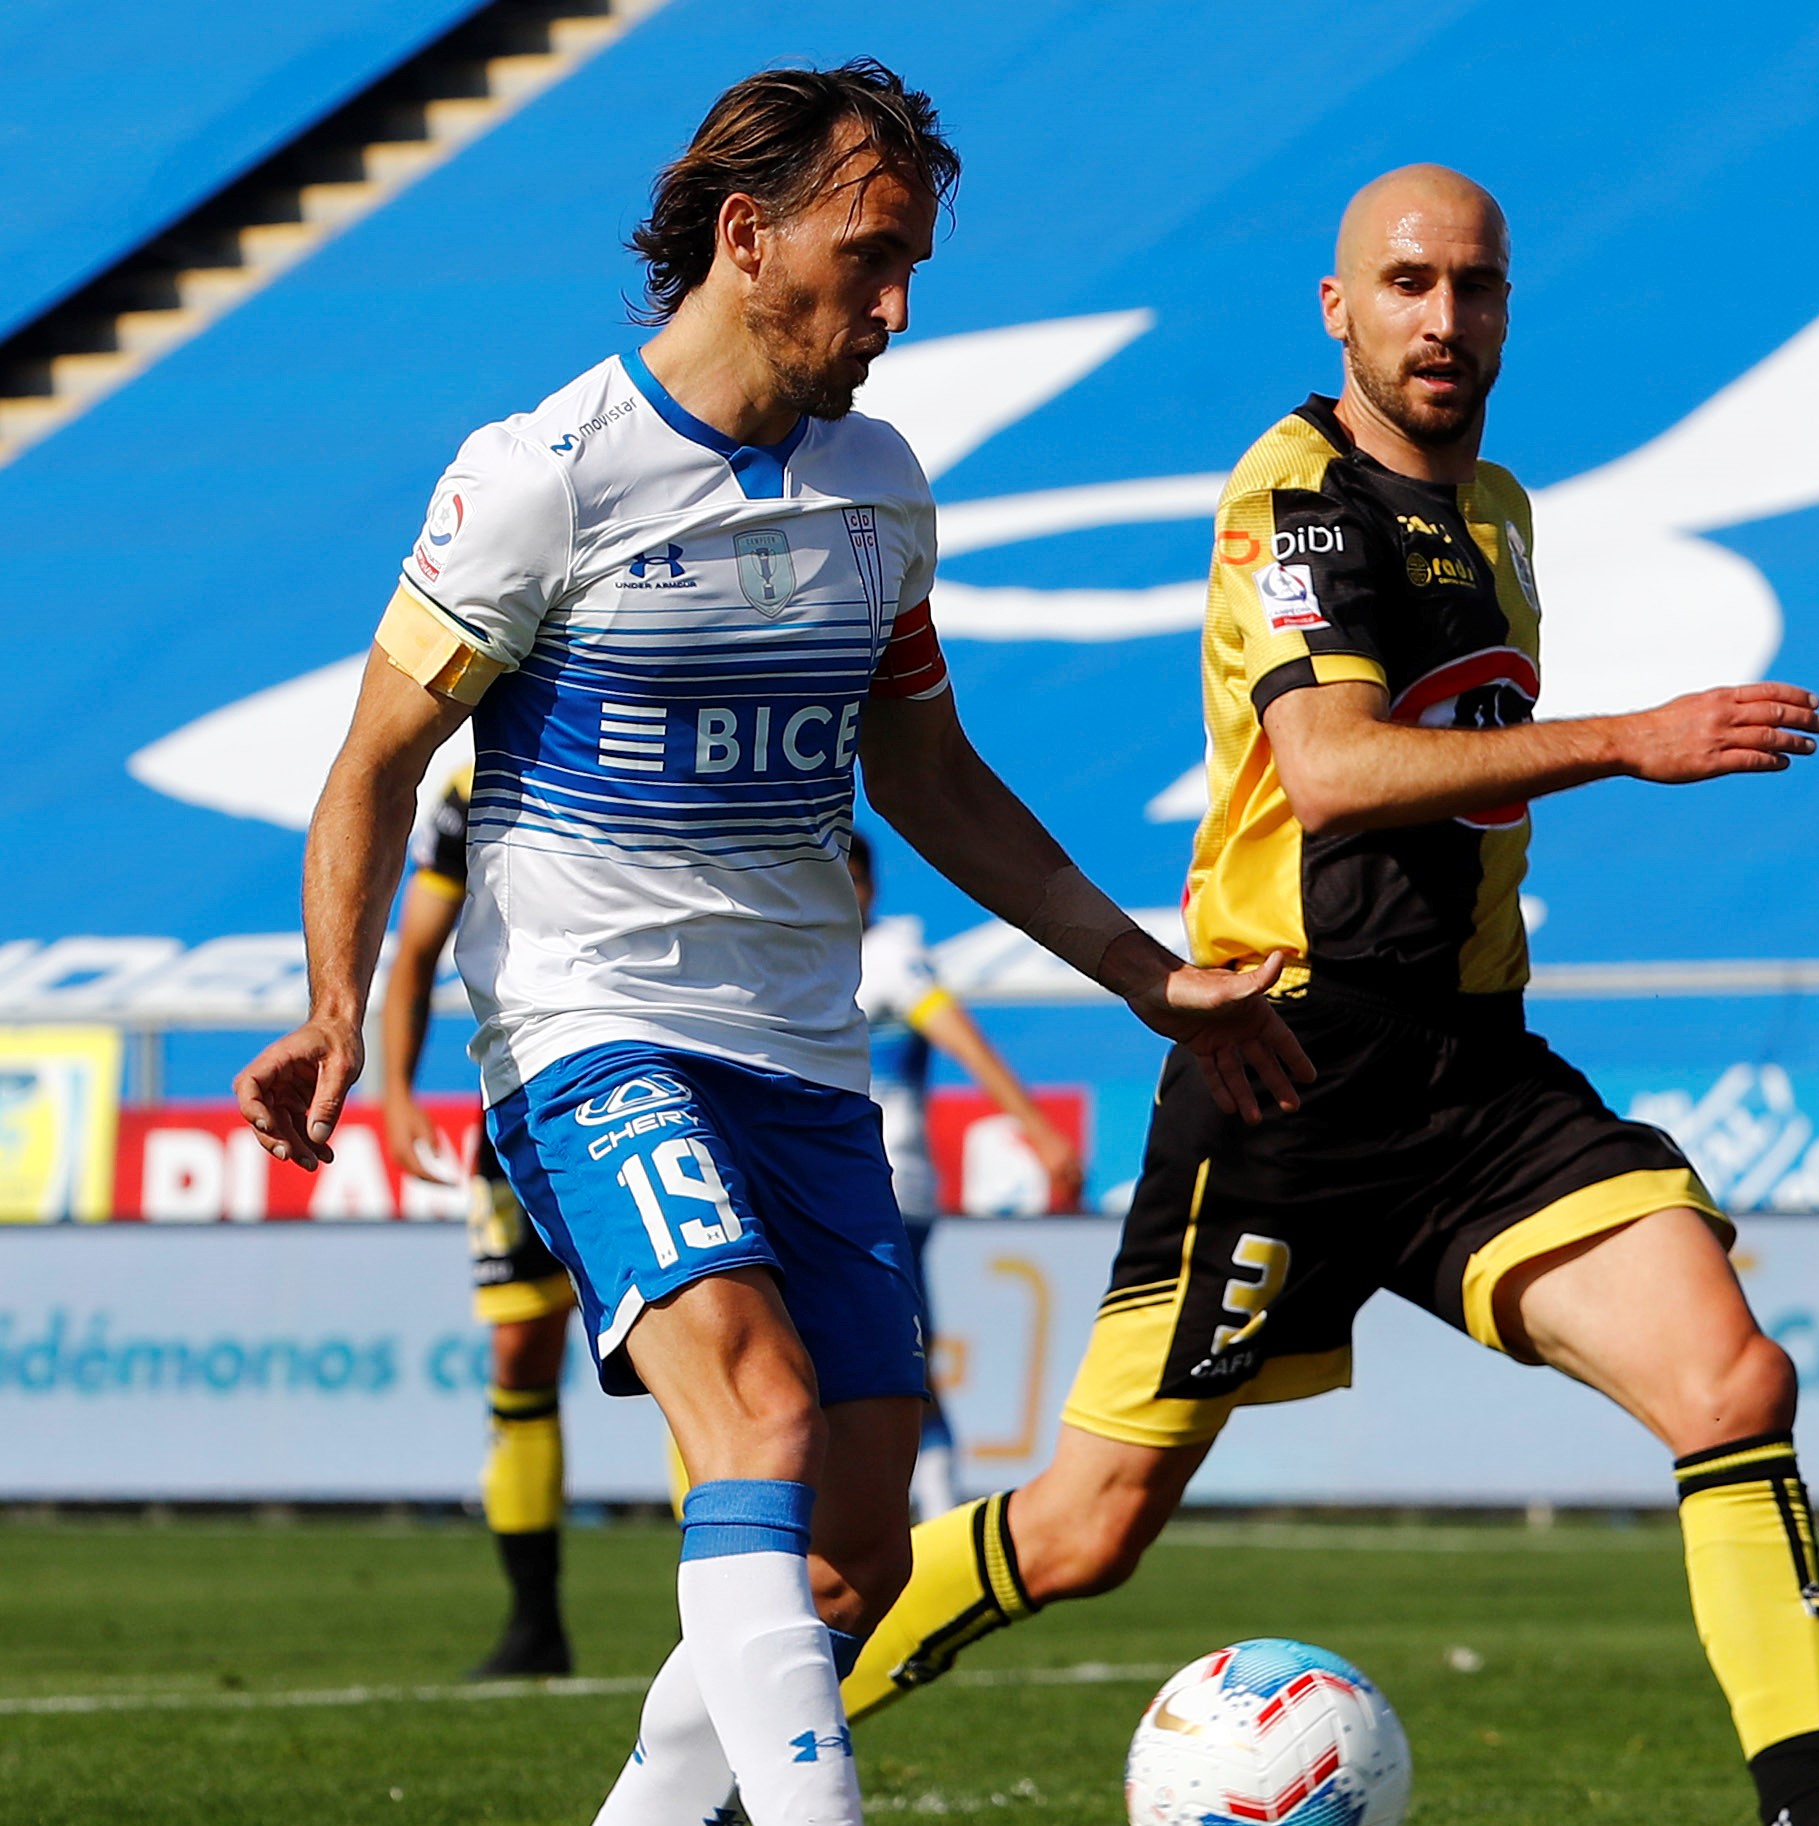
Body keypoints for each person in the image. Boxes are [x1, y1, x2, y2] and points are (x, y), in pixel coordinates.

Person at [839, 165, 1819, 1826]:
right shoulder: (1299, 494)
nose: (1443, 319)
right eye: (1406, 284)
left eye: (1475, 286)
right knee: (1082, 1531)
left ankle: (1816, 1810)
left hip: (1470, 1074)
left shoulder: (1502, 511)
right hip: (1285, 1063)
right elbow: (1326, 771)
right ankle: (747, 1751)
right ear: (1339, 309)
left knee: (1731, 1379)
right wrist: (1628, 737)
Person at [231, 63, 1306, 1826]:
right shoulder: (541, 476)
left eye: (913, 272)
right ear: (747, 238)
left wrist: (1139, 971)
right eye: (868, 259)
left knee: (853, 1548)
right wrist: (337, 1007)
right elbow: (371, 761)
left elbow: (927, 769)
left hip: (800, 1048)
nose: (893, 310)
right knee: (757, 1418)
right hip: (589, 1025)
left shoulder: (878, 489)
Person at [380, 764, 581, 1677]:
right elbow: (417, 943)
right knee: (519, 1355)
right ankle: (535, 1627)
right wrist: (393, 1092)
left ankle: (721, 1621)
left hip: (669, 1073)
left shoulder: (649, 713)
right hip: (524, 1103)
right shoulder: (470, 782)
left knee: (701, 1345)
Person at [842, 827, 1084, 1520]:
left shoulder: (888, 958)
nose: (849, 893)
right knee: (867, 1350)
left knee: (895, 1352)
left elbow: (966, 1045)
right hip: (828, 1185)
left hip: (886, 1185)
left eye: (857, 880)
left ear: (872, 889)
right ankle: (912, 1505)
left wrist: (1038, 1132)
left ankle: (939, 1509)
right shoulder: (804, 957)